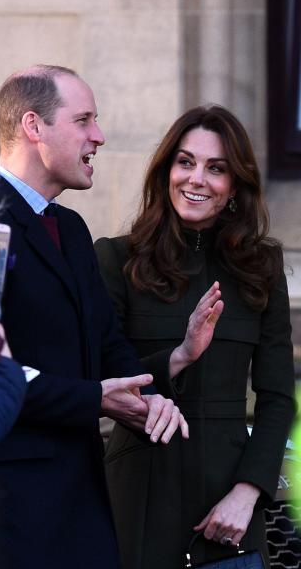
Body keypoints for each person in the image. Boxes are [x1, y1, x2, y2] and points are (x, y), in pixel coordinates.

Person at [0, 65, 219, 569]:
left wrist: (148, 397)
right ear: (34, 126)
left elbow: (106, 344)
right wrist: (96, 398)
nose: (99, 135)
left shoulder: (70, 228)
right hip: (6, 511)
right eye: (84, 119)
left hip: (82, 504)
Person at [96, 104, 296, 568]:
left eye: (216, 168)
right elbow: (101, 377)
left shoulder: (261, 269)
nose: (196, 179)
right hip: (139, 505)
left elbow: (278, 397)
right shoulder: (115, 260)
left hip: (228, 514)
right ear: (166, 171)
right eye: (185, 162)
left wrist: (247, 494)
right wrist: (180, 356)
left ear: (234, 189)